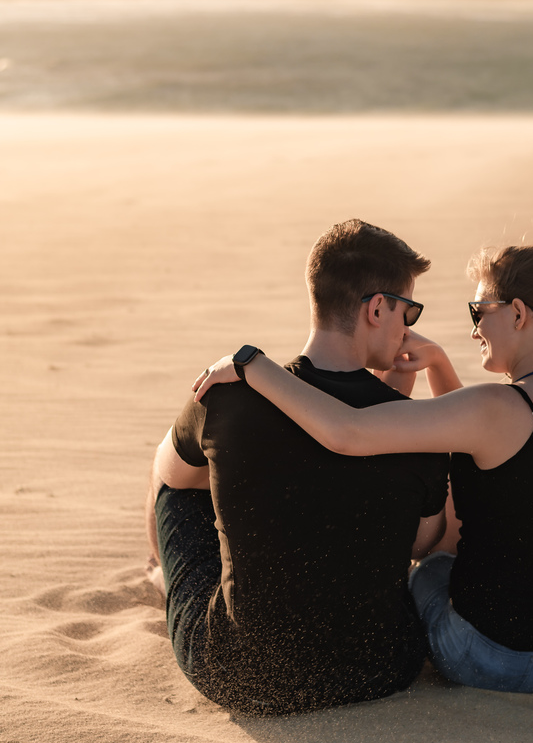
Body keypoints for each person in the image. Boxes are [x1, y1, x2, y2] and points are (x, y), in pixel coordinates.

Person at [195, 245, 533, 693]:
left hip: (494, 657)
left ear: (518, 313)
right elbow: (496, 445)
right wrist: (438, 362)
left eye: (479, 312)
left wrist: (252, 365)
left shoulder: (494, 407)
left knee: (430, 569)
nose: (475, 329)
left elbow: (349, 431)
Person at [145, 219, 455, 716]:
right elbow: (423, 542)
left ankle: (167, 575)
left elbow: (173, 479)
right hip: (377, 669)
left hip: (241, 676)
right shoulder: (415, 428)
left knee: (174, 480)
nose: (408, 327)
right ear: (378, 308)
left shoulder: (228, 395)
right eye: (408, 309)